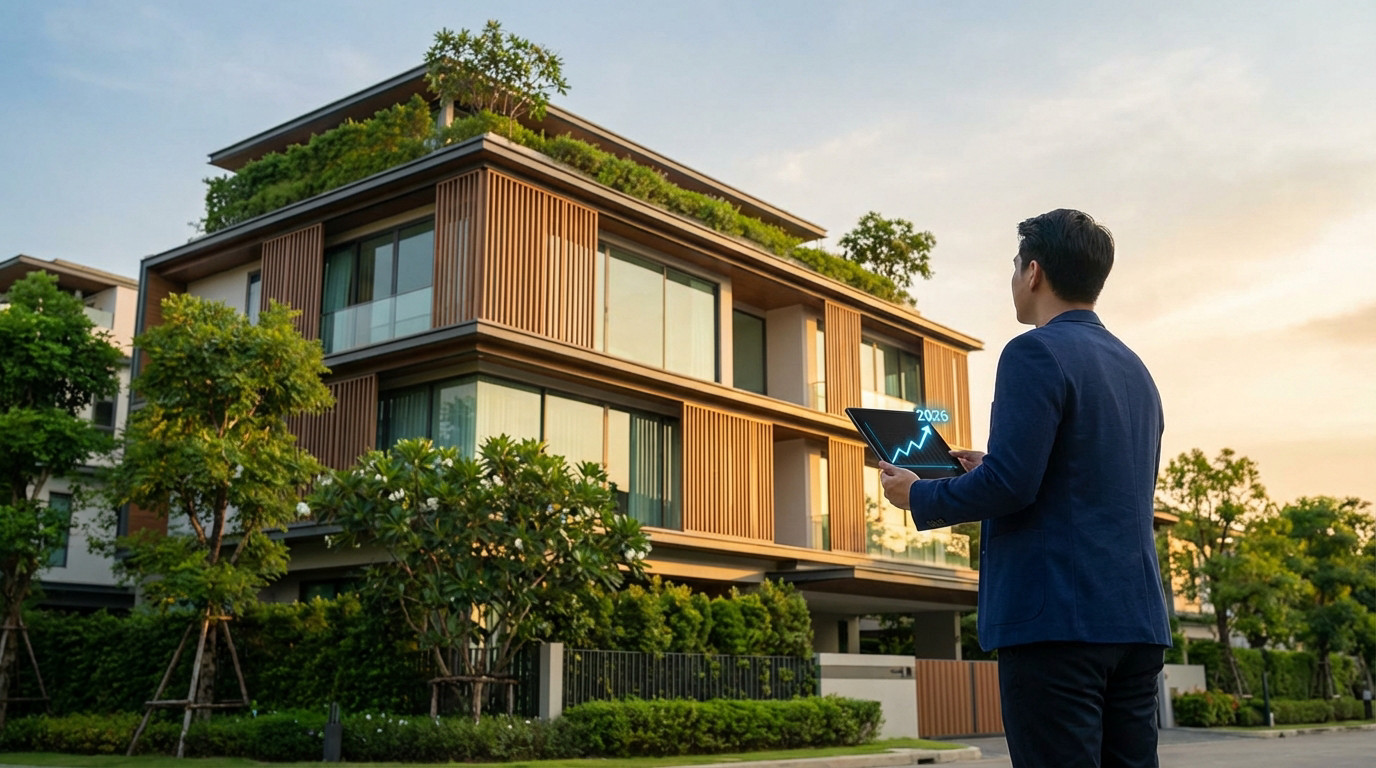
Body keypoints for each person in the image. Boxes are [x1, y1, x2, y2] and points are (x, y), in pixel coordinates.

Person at [879, 209, 1171, 768]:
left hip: (1056, 623)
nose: (1013, 279)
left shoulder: (1033, 351)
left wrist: (917, 494)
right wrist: (991, 464)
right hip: (1135, 623)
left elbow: (1012, 486)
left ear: (1033, 272)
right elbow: (1092, 476)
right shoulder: (1136, 369)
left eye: (1015, 266)